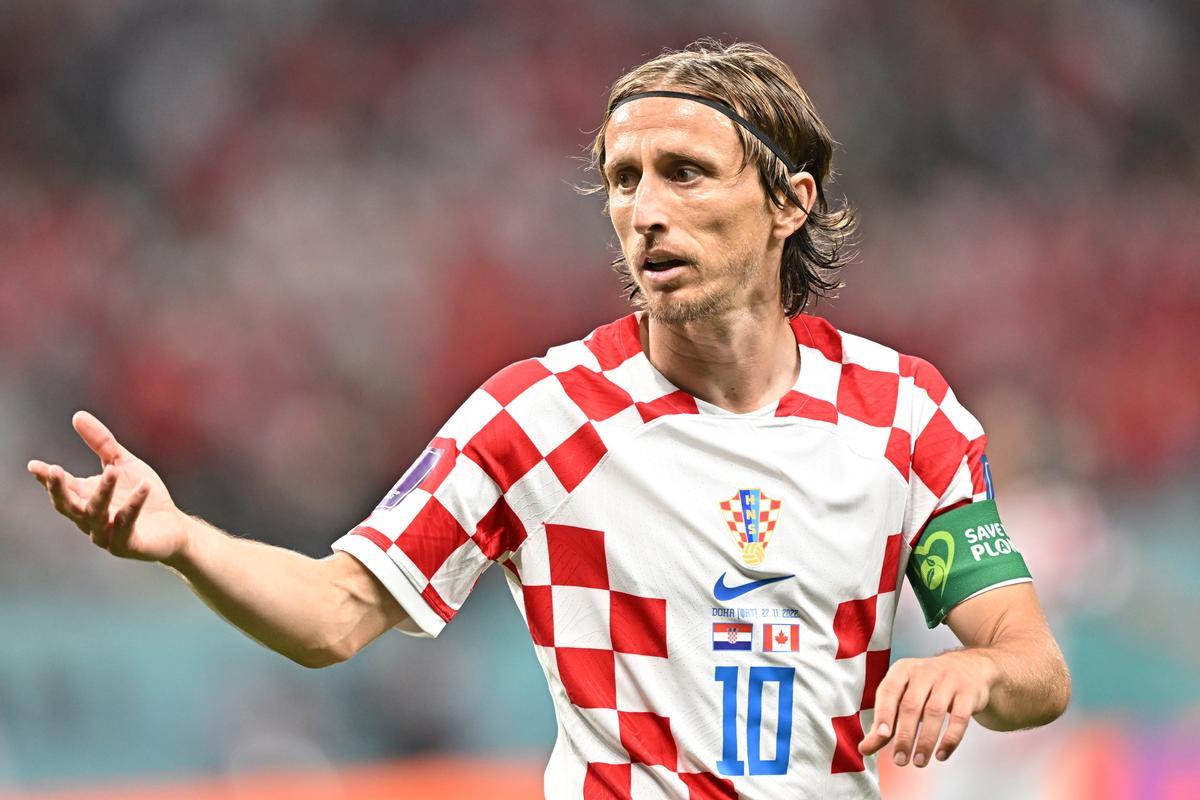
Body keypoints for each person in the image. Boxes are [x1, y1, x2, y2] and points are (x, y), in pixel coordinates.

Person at [27, 40, 1069, 799]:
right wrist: (183, 542)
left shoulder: (902, 414)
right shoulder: (540, 414)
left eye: (685, 173)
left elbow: (1034, 665)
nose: (643, 208)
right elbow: (335, 612)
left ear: (789, 202)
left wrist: (975, 666)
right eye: (623, 179)